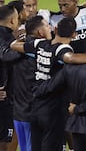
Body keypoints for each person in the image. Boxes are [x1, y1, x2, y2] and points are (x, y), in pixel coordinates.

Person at [10, 17, 86, 151]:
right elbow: (71, 58)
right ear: (74, 35)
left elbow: (13, 45)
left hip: (34, 105)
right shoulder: (62, 49)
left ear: (55, 29)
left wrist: (21, 37)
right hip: (53, 108)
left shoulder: (40, 44)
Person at [11, 15, 52, 151]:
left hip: (18, 112)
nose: (50, 28)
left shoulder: (17, 48)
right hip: (31, 114)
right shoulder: (41, 52)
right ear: (40, 33)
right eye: (47, 26)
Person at [0, 5, 21, 151]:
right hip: (4, 99)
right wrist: (27, 48)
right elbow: (6, 55)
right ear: (13, 21)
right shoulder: (6, 37)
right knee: (6, 141)